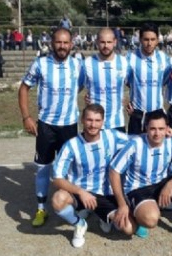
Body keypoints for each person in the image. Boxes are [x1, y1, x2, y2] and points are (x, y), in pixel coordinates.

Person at [18, 27, 86, 228]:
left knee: (72, 169)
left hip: (69, 125)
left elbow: (80, 86)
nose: (62, 46)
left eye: (66, 43)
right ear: (51, 43)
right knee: (43, 168)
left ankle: (73, 205)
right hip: (46, 125)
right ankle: (41, 209)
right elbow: (24, 88)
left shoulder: (78, 65)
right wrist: (26, 117)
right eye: (58, 42)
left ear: (71, 44)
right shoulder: (41, 64)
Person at [109, 110, 172, 240]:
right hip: (137, 190)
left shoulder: (170, 142)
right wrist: (121, 204)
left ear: (167, 129)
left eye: (161, 129)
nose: (157, 133)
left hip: (160, 185)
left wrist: (170, 185)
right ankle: (137, 213)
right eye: (153, 129)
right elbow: (114, 171)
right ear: (146, 128)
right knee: (150, 219)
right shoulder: (135, 144)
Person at [51, 104, 134, 248]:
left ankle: (102, 216)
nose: (93, 124)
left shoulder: (112, 136)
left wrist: (164, 133)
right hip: (82, 192)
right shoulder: (72, 145)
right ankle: (80, 224)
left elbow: (137, 141)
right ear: (82, 120)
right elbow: (57, 178)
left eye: (97, 120)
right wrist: (80, 192)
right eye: (89, 120)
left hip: (106, 193)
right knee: (58, 199)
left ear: (103, 122)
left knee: (128, 228)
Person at [125, 22, 172, 135]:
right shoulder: (130, 58)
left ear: (157, 40)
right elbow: (125, 81)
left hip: (157, 115)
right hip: (137, 114)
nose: (149, 43)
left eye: (153, 39)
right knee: (136, 150)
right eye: (146, 39)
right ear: (140, 40)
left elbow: (165, 81)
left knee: (156, 151)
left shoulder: (164, 59)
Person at [84, 27, 129, 132]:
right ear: (97, 42)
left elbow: (135, 84)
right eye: (102, 42)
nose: (106, 46)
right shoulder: (87, 63)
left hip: (117, 122)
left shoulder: (124, 63)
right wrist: (86, 98)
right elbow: (76, 87)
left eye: (109, 42)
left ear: (115, 42)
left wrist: (130, 101)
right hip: (95, 124)